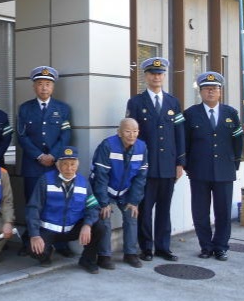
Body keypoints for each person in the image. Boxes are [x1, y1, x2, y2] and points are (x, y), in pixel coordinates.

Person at [125, 57, 185, 262]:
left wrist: (180, 162)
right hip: (145, 166)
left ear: (164, 76)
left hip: (168, 166)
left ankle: (163, 247)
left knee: (164, 209)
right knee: (145, 210)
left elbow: (180, 133)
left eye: (159, 74)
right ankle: (147, 247)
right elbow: (131, 136)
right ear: (146, 76)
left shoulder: (173, 102)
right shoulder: (136, 102)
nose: (156, 77)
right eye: (152, 73)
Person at [183, 72, 244, 261]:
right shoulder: (191, 113)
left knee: (223, 211)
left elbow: (237, 141)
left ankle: (221, 247)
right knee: (200, 211)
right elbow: (185, 142)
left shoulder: (231, 113)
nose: (211, 91)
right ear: (200, 91)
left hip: (224, 170)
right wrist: (187, 166)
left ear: (220, 91)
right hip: (199, 170)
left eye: (215, 88)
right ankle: (205, 246)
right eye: (207, 88)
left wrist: (234, 163)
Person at [17, 65, 72, 256]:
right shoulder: (25, 108)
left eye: (47, 84)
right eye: (40, 84)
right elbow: (22, 137)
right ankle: (29, 241)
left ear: (53, 87)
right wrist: (39, 156)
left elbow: (66, 135)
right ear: (34, 87)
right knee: (32, 203)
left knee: (56, 201)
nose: (44, 88)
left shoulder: (62, 109)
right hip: (33, 165)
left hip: (55, 165)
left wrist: (53, 156)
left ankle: (60, 243)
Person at [26, 147, 105, 274]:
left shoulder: (83, 183)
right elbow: (33, 208)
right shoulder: (45, 180)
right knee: (34, 249)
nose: (69, 168)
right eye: (65, 164)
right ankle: (47, 252)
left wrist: (87, 225)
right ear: (58, 166)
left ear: (77, 165)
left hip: (72, 229)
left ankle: (87, 260)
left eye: (72, 164)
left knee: (99, 226)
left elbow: (93, 206)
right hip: (49, 229)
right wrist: (35, 235)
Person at [90, 118, 149, 269]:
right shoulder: (108, 145)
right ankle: (104, 256)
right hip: (106, 189)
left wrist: (134, 201)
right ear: (119, 132)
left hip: (126, 191)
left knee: (132, 215)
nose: (132, 135)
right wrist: (104, 202)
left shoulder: (142, 147)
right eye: (128, 131)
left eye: (135, 131)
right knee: (105, 218)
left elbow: (141, 177)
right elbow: (100, 176)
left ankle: (130, 253)